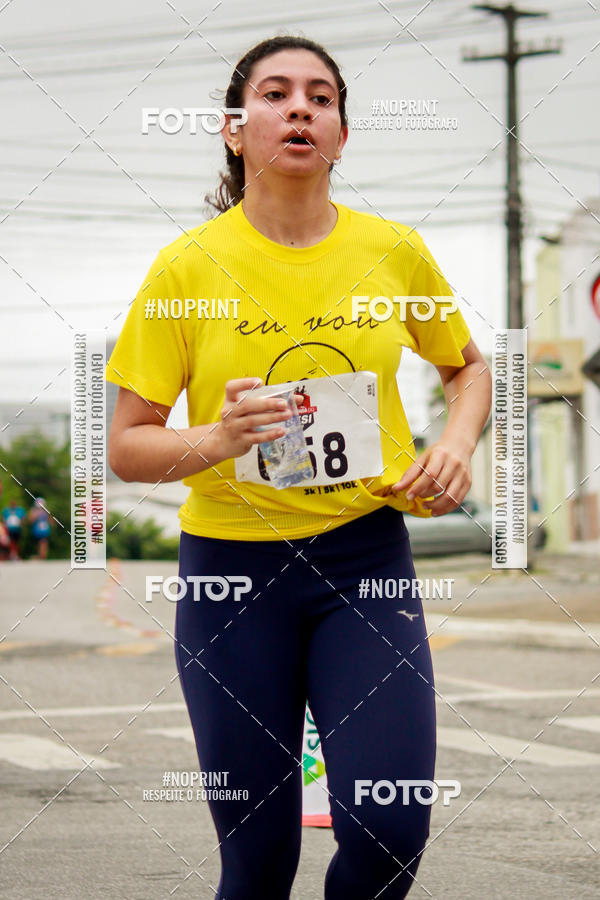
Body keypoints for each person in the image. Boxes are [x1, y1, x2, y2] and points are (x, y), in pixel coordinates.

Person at [106, 36, 492, 900]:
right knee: (258, 860)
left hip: (365, 561)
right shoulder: (185, 268)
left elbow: (469, 367)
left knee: (389, 828)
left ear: (343, 134)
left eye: (321, 97)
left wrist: (456, 444)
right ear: (236, 131)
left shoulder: (394, 251)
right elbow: (127, 445)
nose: (301, 109)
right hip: (230, 580)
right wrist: (220, 436)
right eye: (276, 94)